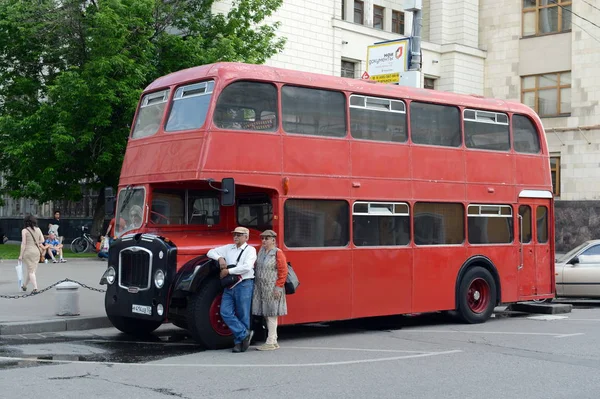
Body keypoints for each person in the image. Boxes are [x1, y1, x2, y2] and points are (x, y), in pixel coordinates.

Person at [207, 226, 257, 353]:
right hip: (230, 285)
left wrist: (228, 271)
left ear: (246, 237)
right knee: (225, 312)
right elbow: (210, 251)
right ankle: (244, 334)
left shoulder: (250, 250)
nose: (236, 237)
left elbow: (247, 267)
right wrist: (219, 258)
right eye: (234, 234)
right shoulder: (228, 248)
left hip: (244, 283)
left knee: (243, 314)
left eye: (239, 235)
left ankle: (239, 343)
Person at [252, 229, 288, 351]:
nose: (264, 241)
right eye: (262, 238)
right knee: (267, 314)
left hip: (272, 288)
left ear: (273, 240)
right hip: (261, 288)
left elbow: (283, 272)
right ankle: (274, 340)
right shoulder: (261, 251)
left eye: (266, 239)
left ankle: (270, 341)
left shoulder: (278, 253)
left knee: (271, 314)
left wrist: (278, 287)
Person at [18, 215, 44, 293]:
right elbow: (42, 240)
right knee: (32, 270)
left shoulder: (24, 231)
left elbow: (23, 244)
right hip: (37, 251)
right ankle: (25, 285)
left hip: (28, 252)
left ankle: (35, 288)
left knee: (31, 271)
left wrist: (20, 255)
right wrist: (36, 242)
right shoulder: (38, 229)